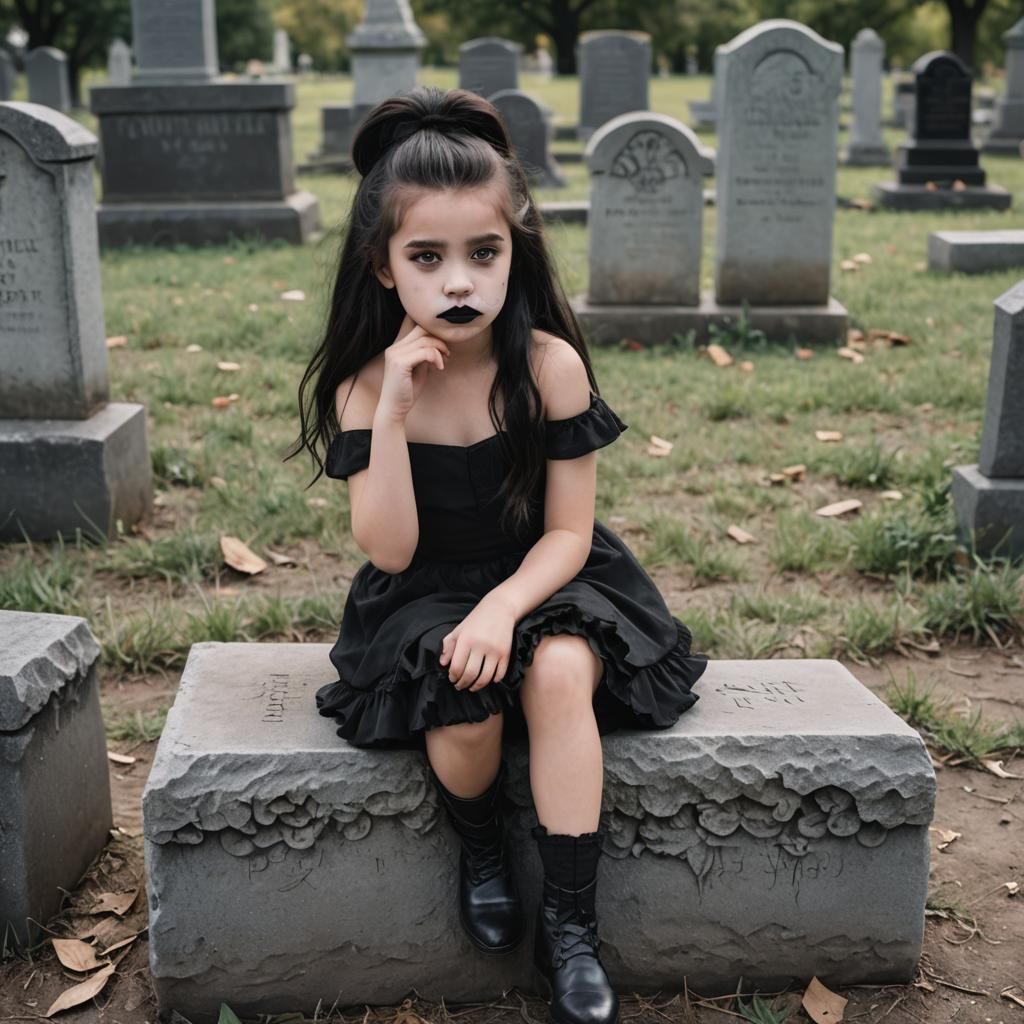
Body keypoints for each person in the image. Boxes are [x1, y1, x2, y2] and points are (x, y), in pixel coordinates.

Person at [290, 85, 709, 1024]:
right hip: (421, 590)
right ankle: (480, 844)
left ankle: (571, 931)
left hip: (547, 579)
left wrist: (504, 608)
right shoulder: (368, 387)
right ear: (384, 266)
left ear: (516, 251)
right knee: (466, 705)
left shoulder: (549, 365)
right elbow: (389, 547)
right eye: (426, 257)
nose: (460, 283)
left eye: (485, 253)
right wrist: (393, 410)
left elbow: (567, 533)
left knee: (558, 673)